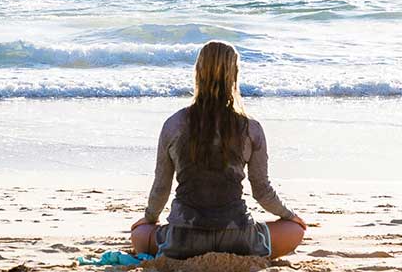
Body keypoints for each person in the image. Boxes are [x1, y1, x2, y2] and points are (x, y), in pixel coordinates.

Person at [130, 41, 307, 259]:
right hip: (237, 237)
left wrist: (149, 218)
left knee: (139, 233)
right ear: (234, 75)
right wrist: (290, 215)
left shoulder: (174, 124)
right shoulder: (251, 128)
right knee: (296, 230)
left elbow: (161, 188)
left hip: (183, 239)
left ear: (198, 73)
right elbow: (262, 191)